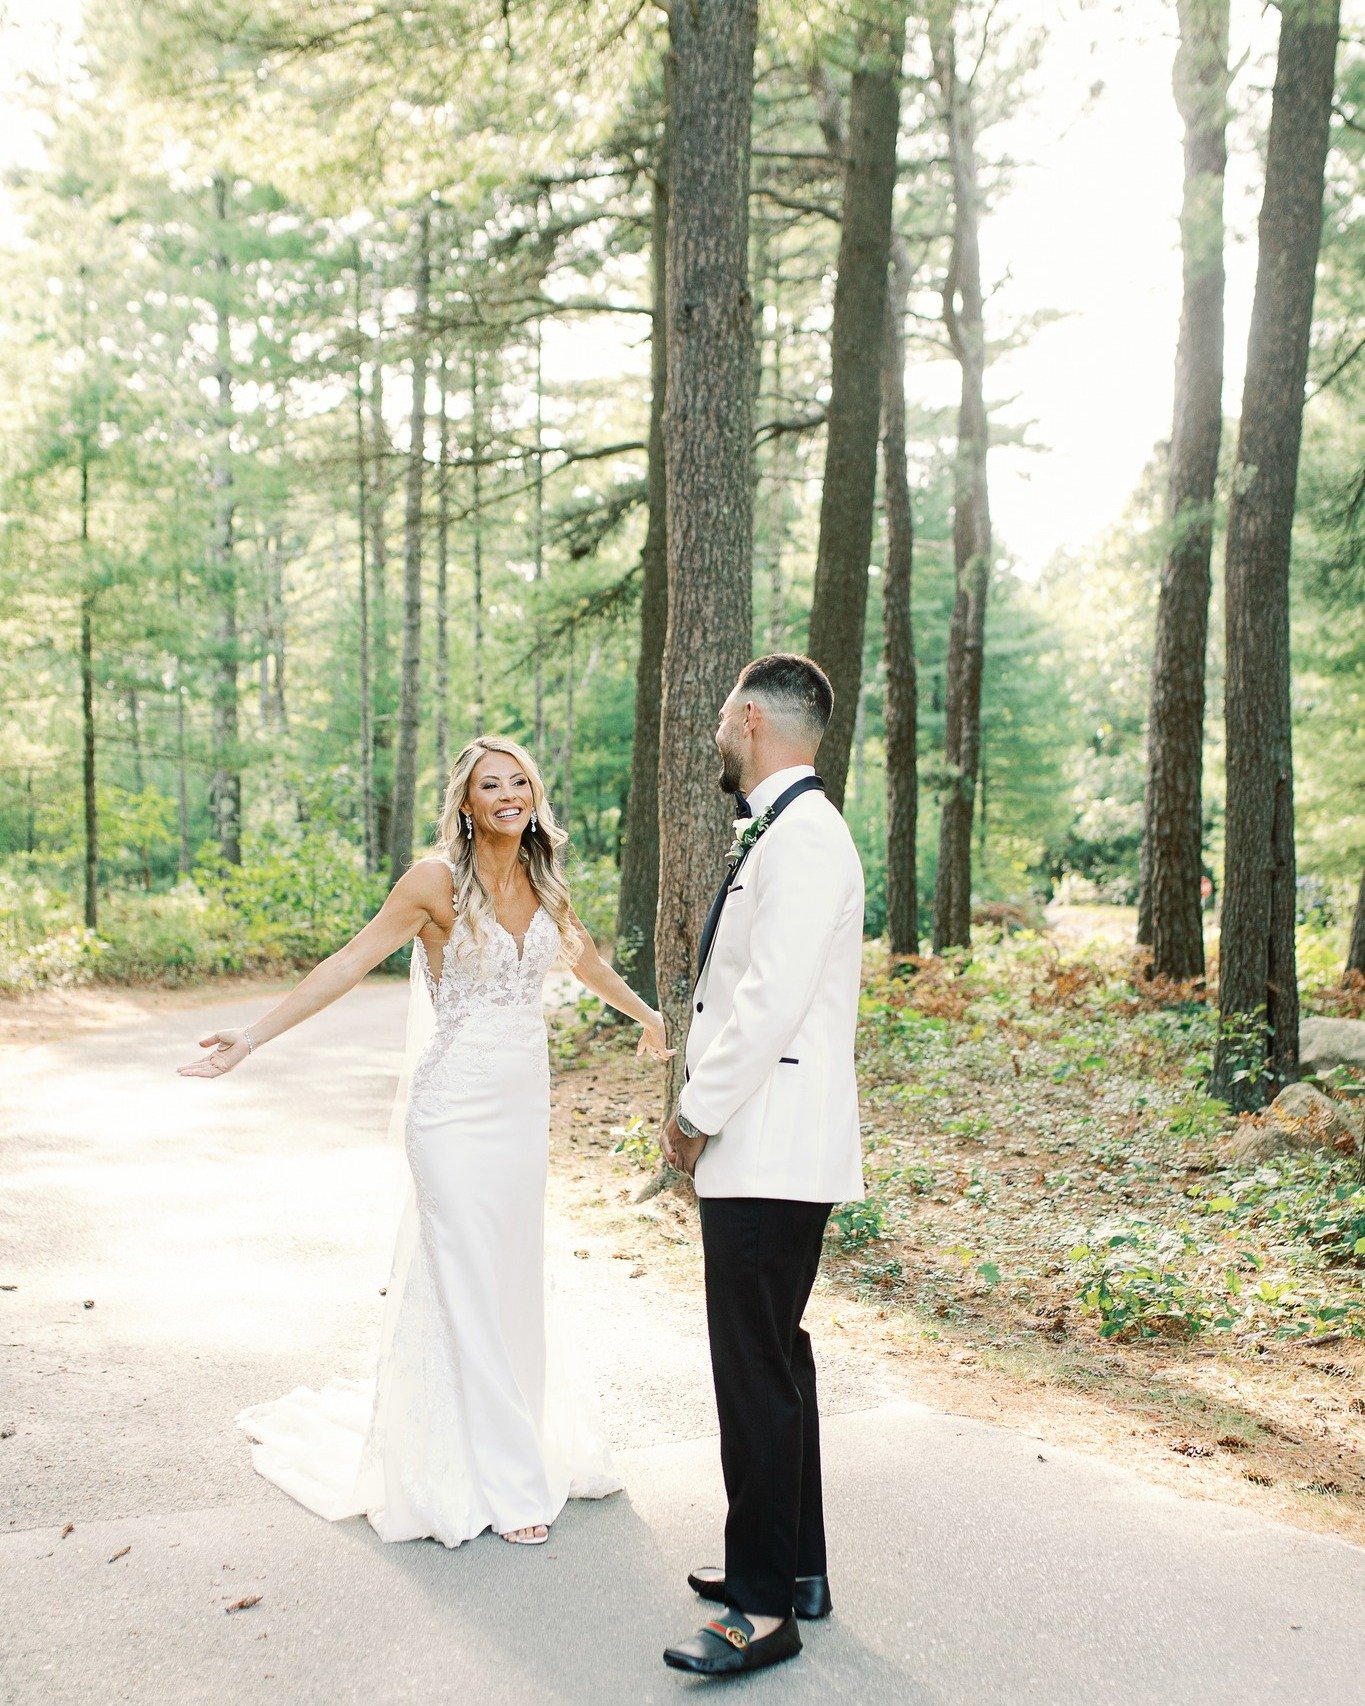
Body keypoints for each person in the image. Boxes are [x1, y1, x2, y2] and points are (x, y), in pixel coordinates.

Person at [179, 736, 671, 1548]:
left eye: (520, 781)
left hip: (519, 1114)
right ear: (467, 802)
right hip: (449, 1114)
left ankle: (507, 1431)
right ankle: (509, 1483)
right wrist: (253, 1039)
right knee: (466, 1276)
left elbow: (584, 963)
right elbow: (349, 961)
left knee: (509, 1275)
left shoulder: (545, 880)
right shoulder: (433, 880)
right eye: (491, 784)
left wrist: (646, 1016)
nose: (509, 793)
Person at [658, 654, 865, 1677]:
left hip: (766, 1144)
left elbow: (768, 999)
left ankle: (757, 1610)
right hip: (774, 1143)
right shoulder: (795, 828)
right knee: (778, 1357)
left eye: (721, 720)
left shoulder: (807, 837)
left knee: (753, 1371)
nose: (717, 737)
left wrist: (695, 1112)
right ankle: (797, 1569)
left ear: (746, 717)